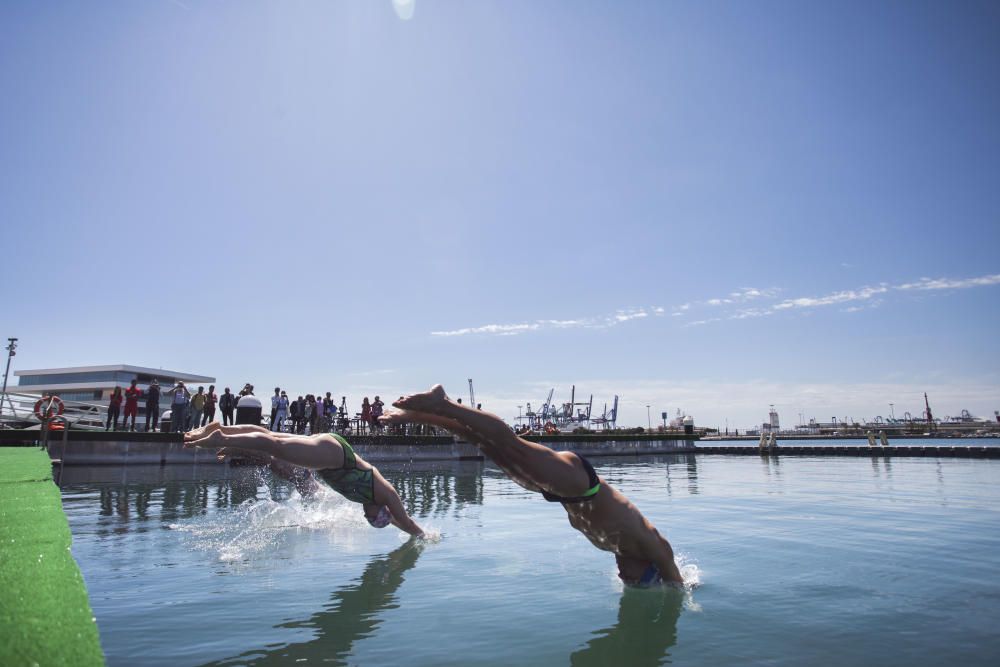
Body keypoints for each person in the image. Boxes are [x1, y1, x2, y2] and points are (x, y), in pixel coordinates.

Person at [381, 385, 683, 587]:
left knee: (488, 446)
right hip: (580, 484)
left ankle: (422, 414)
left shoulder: (620, 548)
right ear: (648, 567)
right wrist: (675, 585)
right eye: (632, 579)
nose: (622, 577)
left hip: (561, 493)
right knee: (511, 445)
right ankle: (443, 403)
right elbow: (675, 576)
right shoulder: (651, 545)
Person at [183, 422, 424, 537]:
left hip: (330, 452)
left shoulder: (369, 500)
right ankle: (221, 437)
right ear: (380, 510)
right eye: (371, 517)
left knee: (270, 438)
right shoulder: (386, 494)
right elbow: (406, 522)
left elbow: (396, 522)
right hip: (335, 456)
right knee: (275, 446)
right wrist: (425, 536)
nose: (365, 515)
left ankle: (221, 430)